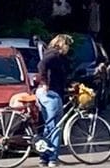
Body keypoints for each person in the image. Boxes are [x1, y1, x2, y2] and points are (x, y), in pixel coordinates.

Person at [36, 34, 73, 168]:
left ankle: (44, 157)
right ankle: (52, 158)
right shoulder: (55, 55)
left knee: (49, 126)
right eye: (68, 45)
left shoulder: (52, 54)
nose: (69, 48)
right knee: (55, 127)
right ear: (63, 44)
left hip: (46, 93)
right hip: (51, 93)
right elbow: (42, 65)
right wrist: (45, 82)